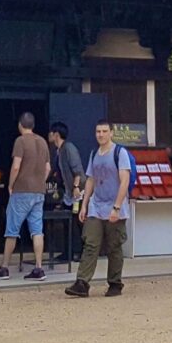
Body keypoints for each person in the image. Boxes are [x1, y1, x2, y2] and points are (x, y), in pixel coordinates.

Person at [65, 120, 133, 298]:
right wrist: (84, 204)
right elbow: (90, 179)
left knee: (114, 246)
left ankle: (115, 283)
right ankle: (82, 282)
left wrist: (117, 207)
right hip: (97, 205)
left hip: (114, 205)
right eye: (98, 131)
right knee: (90, 243)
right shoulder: (94, 153)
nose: (101, 135)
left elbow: (124, 180)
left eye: (104, 131)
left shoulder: (120, 153)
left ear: (111, 132)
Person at [0, 112, 51, 280]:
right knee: (37, 230)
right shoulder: (42, 142)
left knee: (12, 229)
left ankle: (4, 267)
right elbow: (48, 168)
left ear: (20, 125)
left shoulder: (20, 141)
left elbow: (16, 166)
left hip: (21, 190)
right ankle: (39, 267)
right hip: (38, 192)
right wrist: (40, 181)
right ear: (33, 125)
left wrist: (11, 185)